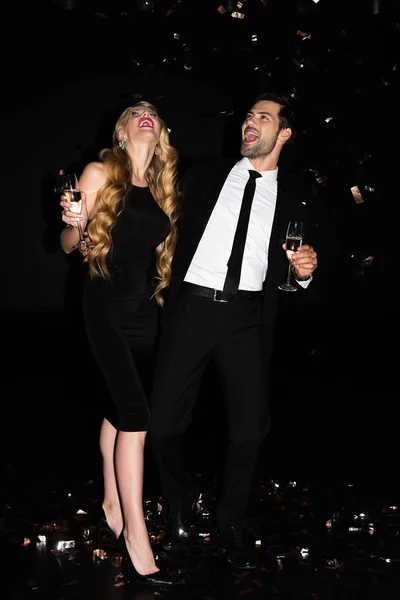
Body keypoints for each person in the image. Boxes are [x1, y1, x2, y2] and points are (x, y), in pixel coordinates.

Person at [148, 91, 318, 570]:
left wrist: (304, 270)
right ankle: (181, 506)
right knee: (163, 426)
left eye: (262, 118)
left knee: (248, 431)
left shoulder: (296, 194)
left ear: (283, 133)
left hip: (247, 318)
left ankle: (230, 521)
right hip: (192, 309)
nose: (250, 122)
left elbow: (300, 264)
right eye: (248, 116)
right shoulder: (202, 174)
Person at [59, 101, 183, 587]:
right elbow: (70, 245)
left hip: (142, 312)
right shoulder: (97, 171)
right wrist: (76, 223)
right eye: (136, 110)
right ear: (123, 128)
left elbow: (157, 253)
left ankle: (112, 501)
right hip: (104, 306)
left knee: (120, 408)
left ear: (162, 131)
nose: (145, 113)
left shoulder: (160, 188)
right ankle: (136, 535)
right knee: (136, 416)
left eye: (153, 110)